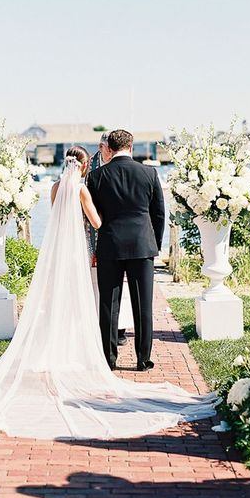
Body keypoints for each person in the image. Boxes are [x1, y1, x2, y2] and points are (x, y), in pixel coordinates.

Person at [0, 146, 216, 439]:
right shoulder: (112, 181)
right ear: (83, 164)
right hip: (107, 246)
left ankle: (102, 355)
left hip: (70, 250)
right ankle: (142, 357)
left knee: (93, 302)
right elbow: (112, 219)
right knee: (119, 302)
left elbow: (61, 217)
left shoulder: (62, 186)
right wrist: (141, 234)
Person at [87, 129, 165, 371]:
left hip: (110, 244)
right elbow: (159, 214)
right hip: (143, 246)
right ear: (131, 147)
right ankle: (143, 359)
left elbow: (94, 215)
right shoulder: (149, 173)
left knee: (109, 306)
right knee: (143, 305)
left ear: (109, 148)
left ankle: (109, 359)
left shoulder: (97, 176)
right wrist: (155, 244)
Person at [87, 132, 133, 347]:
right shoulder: (91, 170)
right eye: (107, 148)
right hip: (96, 234)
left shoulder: (117, 166)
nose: (110, 152)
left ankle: (119, 327)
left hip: (118, 237)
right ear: (101, 147)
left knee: (117, 289)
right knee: (101, 286)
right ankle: (99, 327)